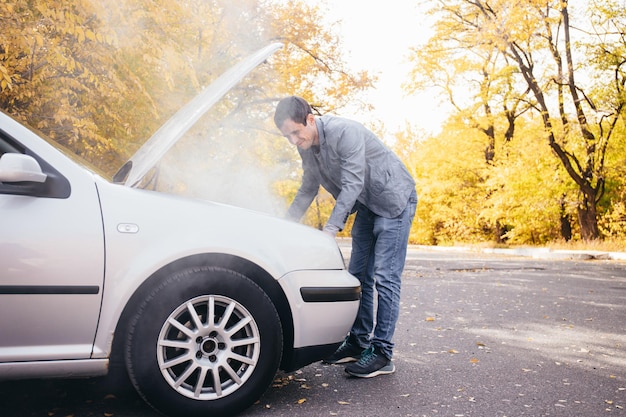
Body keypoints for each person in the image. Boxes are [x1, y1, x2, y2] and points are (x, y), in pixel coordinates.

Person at [274, 96, 417, 378]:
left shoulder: (345, 131)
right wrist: (283, 226)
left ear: (310, 120)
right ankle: (358, 341)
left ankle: (382, 353)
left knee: (385, 276)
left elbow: (354, 181)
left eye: (295, 132)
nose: (293, 140)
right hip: (366, 205)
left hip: (394, 201)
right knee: (358, 275)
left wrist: (331, 229)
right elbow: (307, 188)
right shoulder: (306, 146)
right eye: (287, 135)